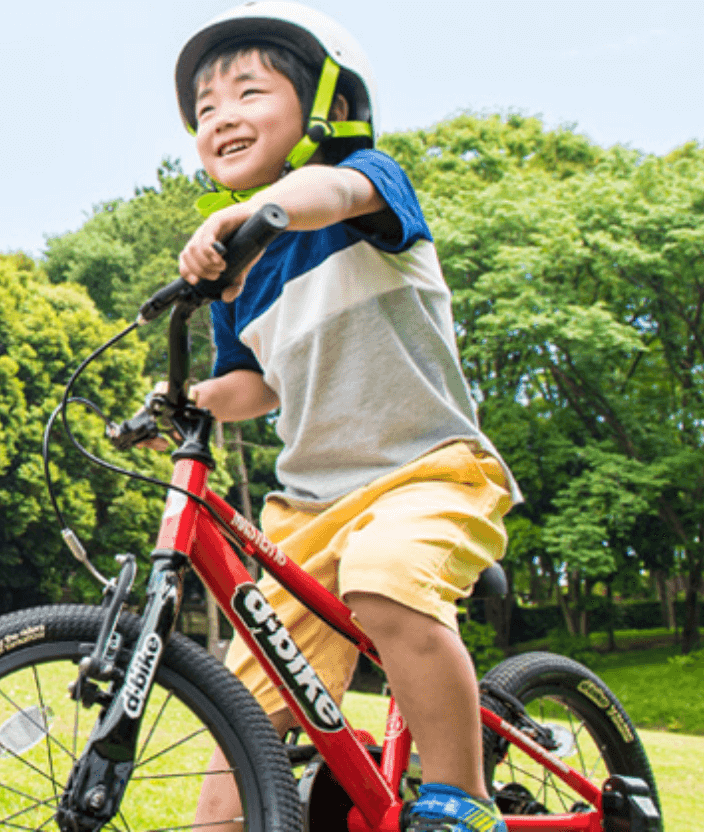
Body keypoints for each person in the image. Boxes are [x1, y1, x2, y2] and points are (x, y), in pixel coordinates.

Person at [166, 3, 521, 831]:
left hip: (427, 471)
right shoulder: (241, 279)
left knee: (388, 580)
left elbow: (325, 192)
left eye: (247, 92)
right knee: (242, 702)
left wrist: (244, 220)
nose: (221, 117)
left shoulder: (365, 183)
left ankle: (460, 802)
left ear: (327, 101)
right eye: (206, 108)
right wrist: (189, 402)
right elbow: (255, 384)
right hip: (311, 510)